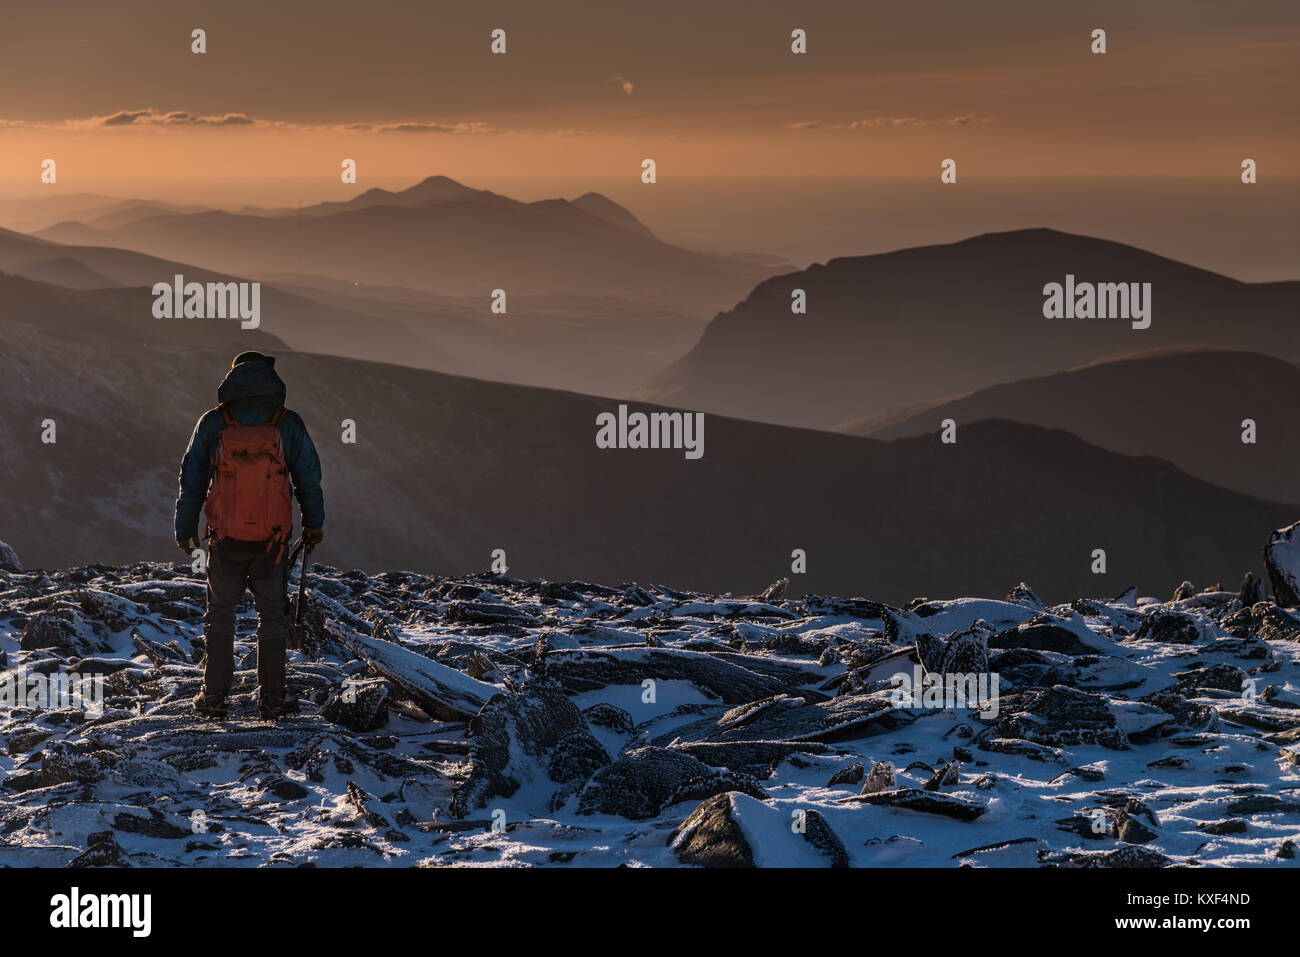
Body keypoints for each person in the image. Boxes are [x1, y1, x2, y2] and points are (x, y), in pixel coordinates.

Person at [175, 352, 325, 719]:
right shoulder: (286, 423)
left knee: (220, 615)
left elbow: (192, 478)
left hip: (224, 539)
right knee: (272, 617)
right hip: (272, 542)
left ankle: (214, 697)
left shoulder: (214, 422)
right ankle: (273, 697)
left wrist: (184, 528)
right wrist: (313, 524)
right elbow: (309, 478)